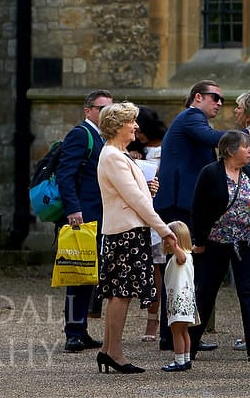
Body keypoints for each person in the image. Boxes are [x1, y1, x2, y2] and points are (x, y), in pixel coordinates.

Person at [95, 102, 177, 375]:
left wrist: (148, 188)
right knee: (121, 294)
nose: (136, 127)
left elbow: (135, 196)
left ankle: (108, 350)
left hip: (126, 230)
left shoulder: (118, 154)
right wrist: (165, 230)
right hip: (125, 233)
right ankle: (115, 353)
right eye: (131, 122)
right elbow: (135, 201)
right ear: (118, 126)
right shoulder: (114, 156)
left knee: (119, 294)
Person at [153, 81, 225, 351]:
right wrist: (245, 134)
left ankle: (182, 335)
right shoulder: (192, 117)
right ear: (198, 97)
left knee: (185, 272)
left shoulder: (193, 120)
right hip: (179, 205)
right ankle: (170, 336)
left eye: (222, 99)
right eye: (215, 97)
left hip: (184, 202)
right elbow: (211, 139)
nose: (219, 103)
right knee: (179, 271)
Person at [188, 130, 250, 361]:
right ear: (230, 151)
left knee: (249, 293)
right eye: (245, 146)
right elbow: (198, 209)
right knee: (206, 292)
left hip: (244, 242)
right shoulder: (210, 173)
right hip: (215, 243)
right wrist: (198, 241)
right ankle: (189, 345)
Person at [57, 90, 113, 353]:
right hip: (83, 214)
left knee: (89, 273)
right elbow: (65, 174)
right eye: (101, 108)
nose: (106, 113)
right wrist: (73, 209)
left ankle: (81, 328)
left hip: (98, 213)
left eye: (109, 108)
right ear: (88, 110)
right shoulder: (81, 134)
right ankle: (73, 332)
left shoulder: (102, 138)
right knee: (77, 274)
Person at [133, 105, 166, 343]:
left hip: (165, 210)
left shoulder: (167, 147)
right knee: (152, 268)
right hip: (145, 213)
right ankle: (152, 319)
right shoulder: (134, 151)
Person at [161, 220, 198, 372]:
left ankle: (179, 360)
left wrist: (174, 246)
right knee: (184, 331)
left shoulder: (180, 257)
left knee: (176, 331)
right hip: (186, 301)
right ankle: (186, 358)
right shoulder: (189, 256)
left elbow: (180, 257)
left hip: (179, 301)